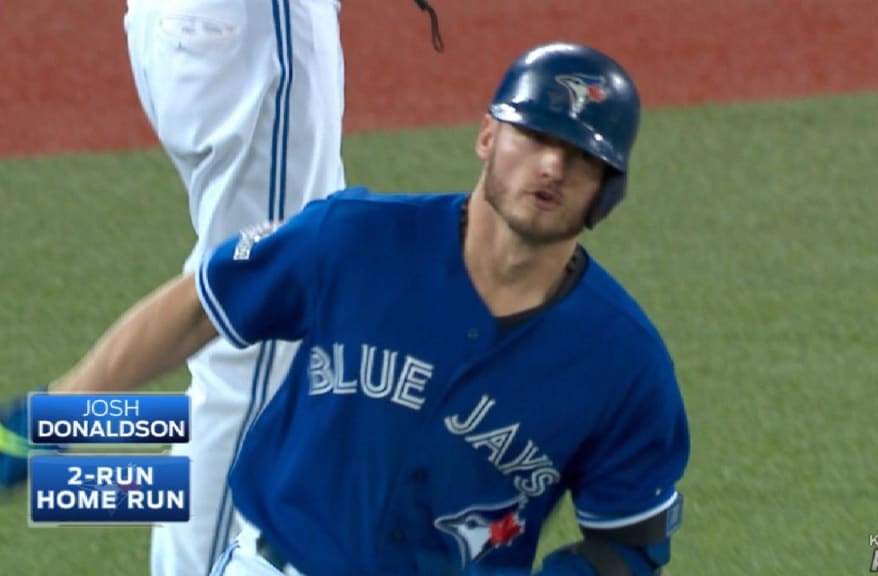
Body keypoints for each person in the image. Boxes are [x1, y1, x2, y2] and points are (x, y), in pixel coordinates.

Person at [3, 42, 689, 575]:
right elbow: (199, 308)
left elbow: (625, 543)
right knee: (217, 409)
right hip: (275, 561)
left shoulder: (625, 367)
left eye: (580, 157)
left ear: (608, 192)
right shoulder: (357, 238)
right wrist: (55, 417)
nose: (551, 168)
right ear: (487, 136)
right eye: (534, 137)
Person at [1, 0, 442, 574]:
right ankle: (53, 426)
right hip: (247, 29)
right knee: (261, 327)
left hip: (197, 27)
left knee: (245, 293)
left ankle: (58, 432)